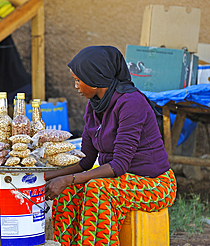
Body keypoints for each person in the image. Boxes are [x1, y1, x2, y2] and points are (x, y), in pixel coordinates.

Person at [44, 46, 177, 245]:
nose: (76, 86)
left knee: (97, 190)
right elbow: (86, 161)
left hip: (153, 183)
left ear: (95, 79)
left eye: (78, 80)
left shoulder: (131, 103)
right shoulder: (94, 105)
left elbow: (119, 165)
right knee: (69, 193)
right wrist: (43, 176)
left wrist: (68, 179)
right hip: (120, 180)